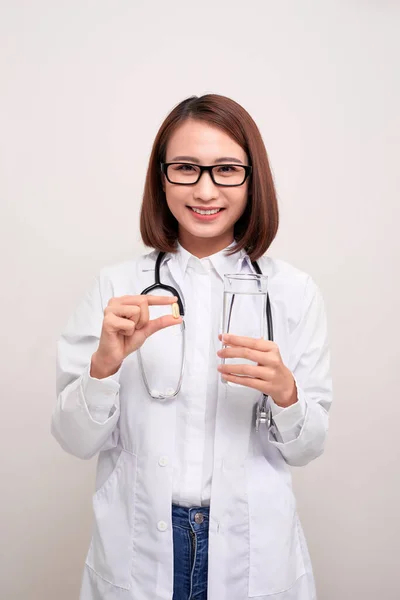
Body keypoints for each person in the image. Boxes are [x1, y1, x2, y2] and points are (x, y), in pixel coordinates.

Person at [52, 94, 332, 600]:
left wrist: (287, 395)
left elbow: (308, 448)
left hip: (251, 552)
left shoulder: (293, 292)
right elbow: (74, 440)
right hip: (141, 549)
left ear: (253, 179)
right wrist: (103, 366)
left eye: (226, 169)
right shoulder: (115, 287)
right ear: (162, 178)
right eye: (186, 168)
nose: (205, 189)